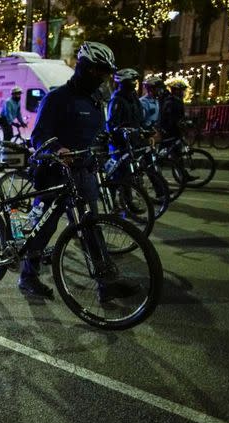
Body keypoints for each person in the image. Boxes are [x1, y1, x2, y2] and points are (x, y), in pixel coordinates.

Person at [23, 41, 136, 302]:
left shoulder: (96, 101)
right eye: (99, 70)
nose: (103, 76)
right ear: (84, 67)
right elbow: (39, 136)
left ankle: (106, 284)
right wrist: (59, 149)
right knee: (42, 228)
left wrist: (112, 143)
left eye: (106, 72)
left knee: (91, 229)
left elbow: (98, 134)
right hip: (54, 175)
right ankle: (28, 276)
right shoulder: (57, 98)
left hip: (83, 176)